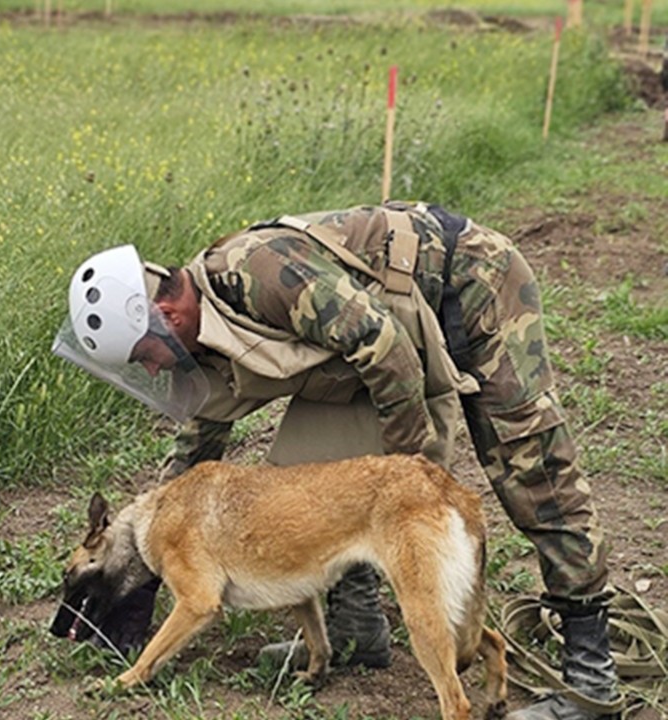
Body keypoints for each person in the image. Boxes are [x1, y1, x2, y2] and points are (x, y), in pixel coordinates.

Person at [53, 202, 619, 720]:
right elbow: (201, 434)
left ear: (166, 314)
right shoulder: (201, 332)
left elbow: (388, 351)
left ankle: (591, 681)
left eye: (144, 356)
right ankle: (357, 630)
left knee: (532, 470)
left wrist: (408, 489)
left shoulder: (261, 274)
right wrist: (147, 559)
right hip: (392, 330)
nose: (152, 371)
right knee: (306, 466)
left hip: (470, 284)